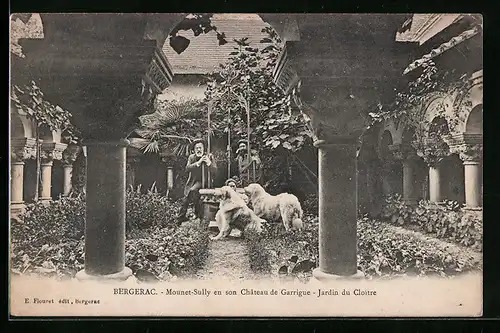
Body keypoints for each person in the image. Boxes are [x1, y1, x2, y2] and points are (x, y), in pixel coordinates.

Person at [177, 139, 217, 224]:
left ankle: (198, 215)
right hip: (193, 181)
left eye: (200, 148)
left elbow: (215, 171)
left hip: (206, 182)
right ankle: (180, 218)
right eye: (196, 148)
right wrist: (198, 163)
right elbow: (187, 168)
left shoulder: (209, 156)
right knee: (186, 198)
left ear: (204, 149)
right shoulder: (192, 157)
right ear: (194, 150)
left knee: (194, 192)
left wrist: (209, 163)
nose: (199, 150)